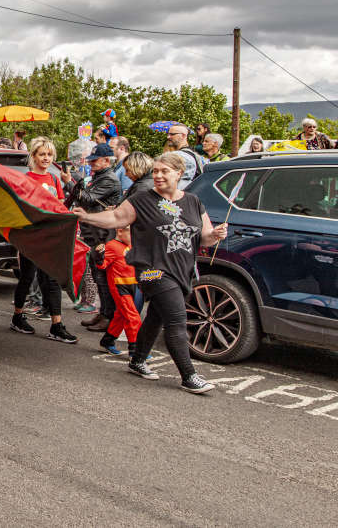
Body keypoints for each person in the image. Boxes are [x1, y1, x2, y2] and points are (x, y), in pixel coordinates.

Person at [73, 152, 227, 394]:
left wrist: (215, 235)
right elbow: (115, 217)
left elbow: (204, 237)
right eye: (155, 171)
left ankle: (137, 360)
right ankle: (189, 375)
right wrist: (86, 217)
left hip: (182, 271)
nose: (158, 175)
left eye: (164, 171)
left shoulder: (193, 202)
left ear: (179, 173)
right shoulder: (142, 200)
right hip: (152, 270)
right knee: (176, 319)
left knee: (156, 316)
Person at [10, 137, 77, 343]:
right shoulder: (26, 178)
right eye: (42, 154)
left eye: (49, 155)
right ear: (34, 156)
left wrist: (69, 183)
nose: (46, 158)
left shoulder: (55, 179)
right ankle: (18, 316)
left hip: (50, 236)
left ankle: (56, 325)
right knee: (27, 276)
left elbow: (60, 205)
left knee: (52, 278)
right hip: (31, 236)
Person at [65, 143, 122, 332]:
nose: (91, 164)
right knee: (98, 275)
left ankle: (109, 315)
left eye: (94, 161)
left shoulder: (110, 180)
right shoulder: (98, 177)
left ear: (107, 161)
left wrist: (71, 182)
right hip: (93, 231)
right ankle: (104, 313)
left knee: (103, 276)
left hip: (104, 233)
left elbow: (88, 198)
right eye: (90, 161)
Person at [95, 225, 141, 356]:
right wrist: (99, 256)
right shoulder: (112, 245)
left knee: (121, 316)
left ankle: (107, 342)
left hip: (132, 285)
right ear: (120, 231)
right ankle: (135, 351)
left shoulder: (130, 245)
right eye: (131, 233)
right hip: (119, 287)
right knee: (133, 317)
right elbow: (102, 265)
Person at [165, 124, 204, 188]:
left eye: (172, 134)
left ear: (183, 136)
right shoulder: (193, 153)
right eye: (168, 134)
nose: (168, 137)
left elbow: (180, 184)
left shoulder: (180, 155)